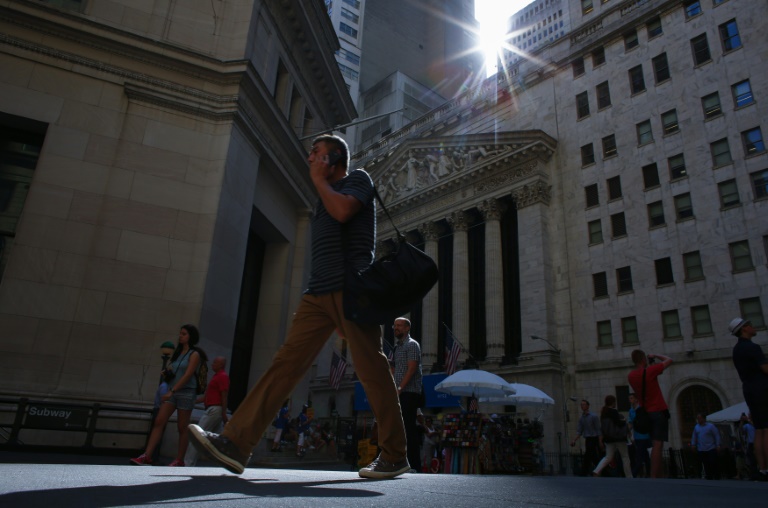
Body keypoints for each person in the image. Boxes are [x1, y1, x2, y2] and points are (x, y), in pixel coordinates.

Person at [187, 135, 409, 479]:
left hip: (352, 291)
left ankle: (395, 455)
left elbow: (344, 211)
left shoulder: (358, 180)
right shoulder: (324, 195)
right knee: (284, 365)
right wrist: (327, 311)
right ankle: (236, 443)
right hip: (318, 295)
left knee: (373, 373)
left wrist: (320, 182)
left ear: (334, 159)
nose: (309, 158)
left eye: (316, 154)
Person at [131, 324, 204, 466]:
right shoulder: (178, 353)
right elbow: (176, 371)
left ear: (191, 336)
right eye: (180, 333)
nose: (180, 336)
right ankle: (147, 455)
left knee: (182, 427)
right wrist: (168, 374)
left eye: (184, 334)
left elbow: (188, 375)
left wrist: (173, 391)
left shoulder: (194, 354)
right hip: (173, 391)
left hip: (185, 392)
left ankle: (179, 459)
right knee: (159, 421)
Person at [730, 317, 768, 481]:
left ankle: (763, 469)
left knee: (759, 429)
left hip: (748, 388)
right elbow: (765, 369)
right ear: (744, 328)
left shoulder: (736, 350)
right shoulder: (753, 348)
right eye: (750, 325)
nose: (753, 327)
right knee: (767, 428)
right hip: (762, 388)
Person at [628, 349, 672, 478]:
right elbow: (669, 360)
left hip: (646, 413)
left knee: (654, 444)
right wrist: (656, 355)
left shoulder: (631, 376)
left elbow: (646, 380)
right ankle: (654, 476)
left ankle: (657, 474)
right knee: (658, 445)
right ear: (643, 359)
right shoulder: (650, 371)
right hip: (658, 410)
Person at [184, 356, 229, 467]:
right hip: (214, 410)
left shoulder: (222, 377)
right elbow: (208, 396)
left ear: (221, 365)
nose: (212, 364)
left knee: (197, 436)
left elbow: (224, 395)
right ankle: (225, 462)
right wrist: (194, 401)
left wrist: (224, 413)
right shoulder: (217, 377)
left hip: (214, 410)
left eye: (215, 362)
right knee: (216, 440)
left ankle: (188, 464)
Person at [392, 316, 423, 473]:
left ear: (407, 328)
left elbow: (412, 368)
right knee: (401, 428)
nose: (396, 328)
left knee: (409, 428)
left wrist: (399, 388)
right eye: (395, 325)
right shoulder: (397, 348)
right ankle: (401, 461)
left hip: (409, 392)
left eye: (399, 325)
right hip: (399, 392)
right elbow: (394, 369)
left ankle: (414, 465)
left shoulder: (412, 345)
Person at [592, 395, 632, 478]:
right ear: (613, 402)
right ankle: (629, 475)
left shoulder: (604, 413)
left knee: (608, 456)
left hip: (609, 438)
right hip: (618, 437)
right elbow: (619, 423)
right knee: (625, 457)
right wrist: (624, 420)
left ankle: (597, 470)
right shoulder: (613, 411)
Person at [570, 399, 602, 476]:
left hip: (594, 438)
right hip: (588, 439)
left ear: (588, 406)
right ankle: (603, 470)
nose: (582, 406)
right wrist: (574, 440)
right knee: (594, 457)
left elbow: (598, 430)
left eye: (584, 404)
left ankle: (583, 473)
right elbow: (579, 431)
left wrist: (600, 441)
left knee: (588, 455)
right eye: (581, 405)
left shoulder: (593, 416)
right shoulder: (582, 418)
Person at [690, 413, 721, 480]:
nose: (698, 420)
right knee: (705, 463)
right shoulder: (696, 427)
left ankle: (716, 475)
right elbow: (694, 436)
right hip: (701, 448)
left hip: (711, 447)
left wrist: (718, 445)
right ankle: (709, 475)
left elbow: (716, 435)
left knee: (713, 462)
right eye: (697, 418)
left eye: (699, 418)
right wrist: (693, 444)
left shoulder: (711, 426)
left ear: (704, 419)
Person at [628, 393, 651, 478]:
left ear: (636, 399)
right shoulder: (631, 410)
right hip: (637, 436)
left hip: (644, 435)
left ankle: (633, 474)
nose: (630, 400)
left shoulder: (642, 409)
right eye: (629, 398)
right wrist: (629, 434)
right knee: (645, 455)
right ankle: (649, 472)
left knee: (639, 455)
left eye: (631, 398)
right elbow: (630, 424)